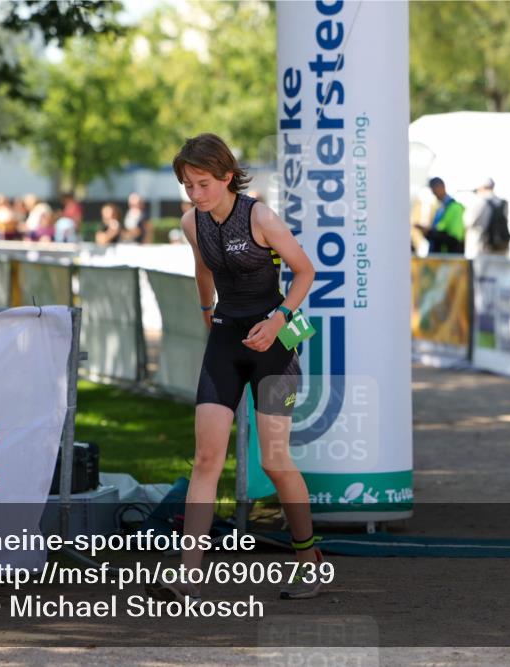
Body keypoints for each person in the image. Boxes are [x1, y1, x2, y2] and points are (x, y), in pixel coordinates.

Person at [145, 133, 324, 602]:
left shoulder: (259, 215)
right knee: (206, 458)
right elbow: (203, 268)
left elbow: (305, 271)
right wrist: (208, 313)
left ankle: (309, 562)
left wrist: (279, 318)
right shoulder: (192, 222)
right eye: (187, 185)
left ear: (227, 176)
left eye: (203, 184)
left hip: (275, 341)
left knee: (274, 459)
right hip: (227, 338)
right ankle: (188, 573)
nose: (195, 194)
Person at [415, 177, 464, 255]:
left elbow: (455, 237)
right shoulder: (441, 207)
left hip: (447, 256)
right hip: (440, 254)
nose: (434, 193)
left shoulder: (454, 207)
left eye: (434, 190)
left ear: (441, 187)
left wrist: (430, 233)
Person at [464, 177, 510, 258]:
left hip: (481, 250)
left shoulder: (477, 201)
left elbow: (467, 222)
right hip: (501, 249)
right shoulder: (503, 202)